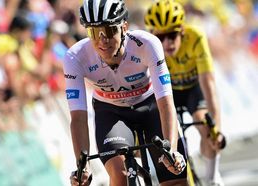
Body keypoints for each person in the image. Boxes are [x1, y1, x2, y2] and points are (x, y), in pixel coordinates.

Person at [64, 0, 188, 185]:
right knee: (119, 174)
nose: (102, 40)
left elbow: (165, 101)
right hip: (111, 113)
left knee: (174, 177)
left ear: (124, 27)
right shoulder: (75, 57)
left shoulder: (147, 44)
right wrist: (83, 166)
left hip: (150, 105)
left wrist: (171, 149)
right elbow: (78, 117)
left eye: (108, 31)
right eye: (94, 33)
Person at [144, 0, 226, 185]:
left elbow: (208, 82)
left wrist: (217, 128)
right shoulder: (148, 46)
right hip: (168, 94)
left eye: (172, 35)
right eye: (161, 36)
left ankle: (212, 178)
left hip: (192, 90)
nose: (167, 42)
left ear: (181, 29)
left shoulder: (196, 36)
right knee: (171, 139)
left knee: (207, 128)